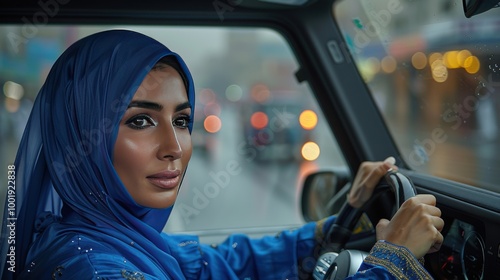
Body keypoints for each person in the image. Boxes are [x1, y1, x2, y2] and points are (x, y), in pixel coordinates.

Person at [0, 30, 443, 279]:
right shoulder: (94, 268)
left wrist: (341, 220)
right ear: (80, 135)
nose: (174, 149)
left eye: (181, 120)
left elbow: (221, 264)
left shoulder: (117, 239)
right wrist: (393, 260)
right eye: (140, 120)